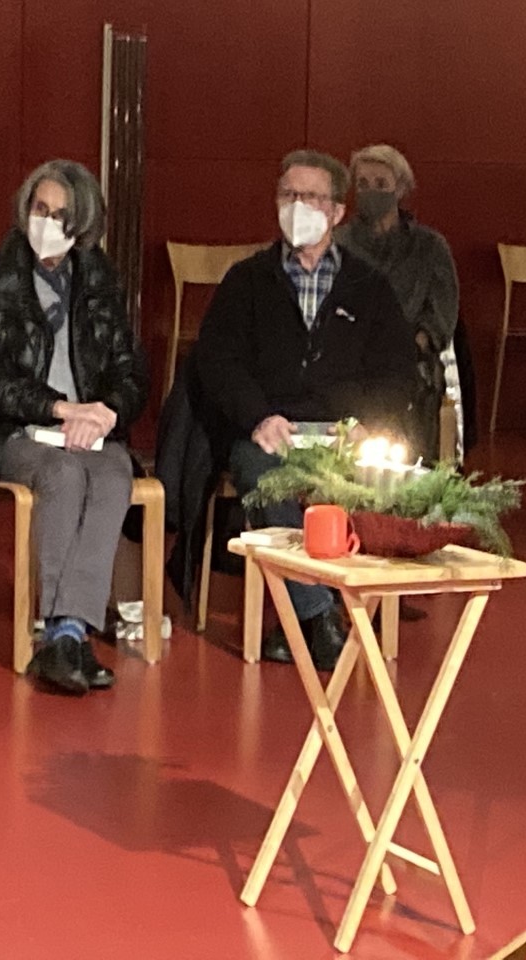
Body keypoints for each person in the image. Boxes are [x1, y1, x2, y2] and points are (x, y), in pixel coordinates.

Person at [0, 159, 147, 694]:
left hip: (89, 430)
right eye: (40, 209)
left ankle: (68, 633)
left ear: (83, 226)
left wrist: (108, 410)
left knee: (114, 474)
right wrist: (58, 409)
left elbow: (131, 367)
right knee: (62, 475)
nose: (47, 222)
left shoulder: (99, 280)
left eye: (61, 215)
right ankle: (62, 635)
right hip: (7, 431)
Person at [195, 149, 417, 668]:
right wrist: (257, 417)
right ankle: (319, 618)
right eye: (289, 195)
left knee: (377, 478)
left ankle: (308, 622)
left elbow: (397, 373)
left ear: (337, 212)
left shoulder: (369, 287)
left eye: (313, 198)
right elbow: (218, 361)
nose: (299, 207)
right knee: (268, 476)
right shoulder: (246, 281)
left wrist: (365, 426)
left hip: (347, 435)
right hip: (270, 430)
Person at [334, 143, 462, 461]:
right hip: (348, 359)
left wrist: (403, 349)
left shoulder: (430, 248)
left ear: (401, 189)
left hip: (409, 360)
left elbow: (439, 320)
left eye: (381, 184)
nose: (371, 192)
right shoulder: (337, 244)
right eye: (363, 184)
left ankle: (406, 474)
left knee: (400, 391)